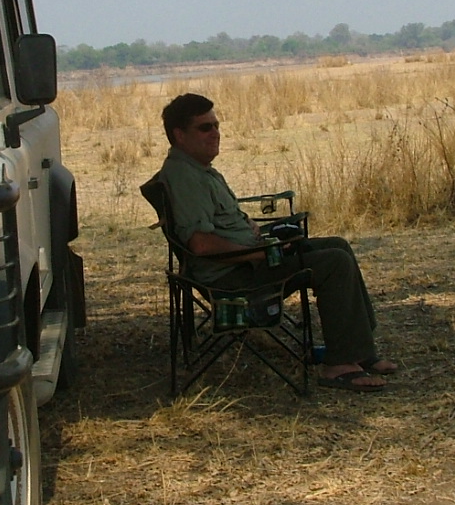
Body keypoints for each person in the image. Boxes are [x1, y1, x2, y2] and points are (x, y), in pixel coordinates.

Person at [158, 92, 395, 392]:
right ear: (180, 135)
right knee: (334, 263)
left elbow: (219, 220)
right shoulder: (184, 176)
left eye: (217, 125)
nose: (215, 133)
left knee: (338, 245)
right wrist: (256, 253)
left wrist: (251, 228)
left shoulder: (197, 168)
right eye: (205, 127)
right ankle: (339, 365)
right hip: (234, 277)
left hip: (248, 260)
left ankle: (358, 351)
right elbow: (201, 245)